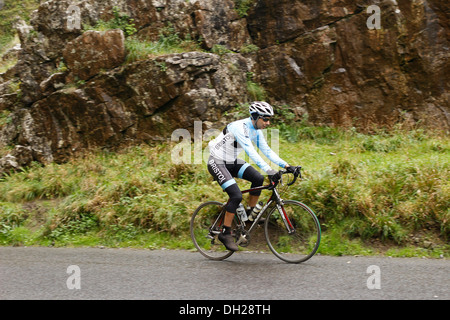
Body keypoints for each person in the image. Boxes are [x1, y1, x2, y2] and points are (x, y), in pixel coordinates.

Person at [207, 101, 294, 251]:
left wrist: (287, 166)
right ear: (255, 116)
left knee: (258, 179)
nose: (268, 122)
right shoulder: (239, 127)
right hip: (217, 162)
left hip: (231, 161)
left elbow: (266, 151)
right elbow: (251, 152)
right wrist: (269, 170)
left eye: (269, 119)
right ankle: (225, 233)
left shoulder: (256, 130)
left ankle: (248, 215)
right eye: (265, 119)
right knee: (235, 195)